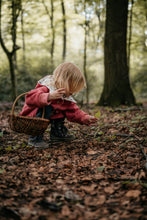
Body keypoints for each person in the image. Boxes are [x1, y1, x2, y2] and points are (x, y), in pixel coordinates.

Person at [20, 62, 97, 148]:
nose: (71, 93)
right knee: (47, 107)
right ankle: (35, 138)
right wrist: (49, 96)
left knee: (61, 108)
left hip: (51, 117)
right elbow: (29, 98)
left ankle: (57, 134)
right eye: (71, 89)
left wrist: (85, 118)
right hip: (35, 116)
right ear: (65, 82)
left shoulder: (65, 97)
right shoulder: (47, 86)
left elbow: (74, 111)